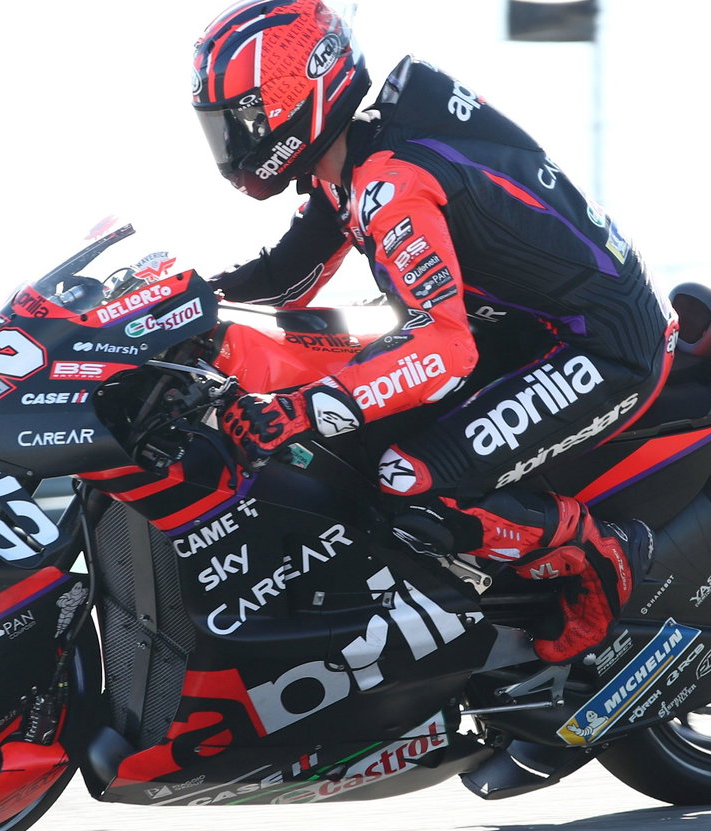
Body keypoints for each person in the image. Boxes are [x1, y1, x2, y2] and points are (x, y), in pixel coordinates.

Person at [191, 0, 677, 662]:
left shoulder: (393, 183)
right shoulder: (350, 163)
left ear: (293, 100)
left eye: (240, 121)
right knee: (350, 420)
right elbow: (285, 279)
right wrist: (174, 306)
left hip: (601, 348)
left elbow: (444, 349)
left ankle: (599, 554)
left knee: (407, 479)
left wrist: (300, 411)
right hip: (523, 334)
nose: (233, 143)